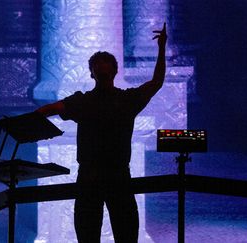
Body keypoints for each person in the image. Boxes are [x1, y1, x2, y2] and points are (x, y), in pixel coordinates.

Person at [36, 23, 167, 243]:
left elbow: (48, 110)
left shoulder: (83, 102)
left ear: (92, 73)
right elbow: (156, 82)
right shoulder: (126, 101)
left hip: (91, 178)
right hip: (116, 177)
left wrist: (29, 124)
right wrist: (161, 48)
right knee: (124, 236)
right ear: (115, 72)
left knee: (89, 237)